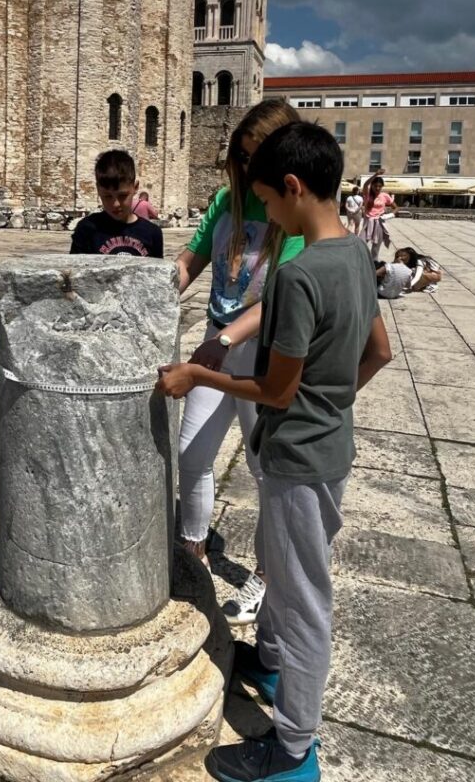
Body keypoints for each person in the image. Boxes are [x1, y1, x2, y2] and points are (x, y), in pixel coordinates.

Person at [158, 121, 392, 782]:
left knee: (303, 600)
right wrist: (331, 403)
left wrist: (198, 375)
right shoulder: (356, 255)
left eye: (265, 201)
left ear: (292, 187)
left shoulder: (298, 276)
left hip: (296, 458)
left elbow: (275, 390)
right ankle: (267, 660)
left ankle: (292, 751)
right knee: (290, 577)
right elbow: (379, 352)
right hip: (329, 448)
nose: (264, 216)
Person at [175, 99, 304, 626]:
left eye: (258, 157)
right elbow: (191, 260)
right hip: (218, 340)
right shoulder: (227, 199)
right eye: (243, 157)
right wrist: (154, 287)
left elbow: (278, 297)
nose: (249, 169)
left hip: (259, 350)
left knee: (264, 470)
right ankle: (193, 553)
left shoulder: (290, 209)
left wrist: (225, 340)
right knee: (191, 453)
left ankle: (267, 576)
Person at [70, 150, 164, 258]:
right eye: (107, 196)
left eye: (122, 196)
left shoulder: (152, 233)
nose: (115, 204)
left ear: (135, 187)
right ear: (98, 190)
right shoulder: (87, 229)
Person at [361, 169, 397, 260]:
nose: (377, 188)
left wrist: (389, 215)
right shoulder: (367, 194)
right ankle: (363, 262)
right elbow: (365, 184)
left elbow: (396, 208)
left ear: (382, 187)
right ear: (372, 186)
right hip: (368, 222)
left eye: (379, 186)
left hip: (379, 223)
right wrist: (375, 174)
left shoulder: (385, 196)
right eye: (375, 186)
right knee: (361, 244)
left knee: (375, 249)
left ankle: (374, 265)